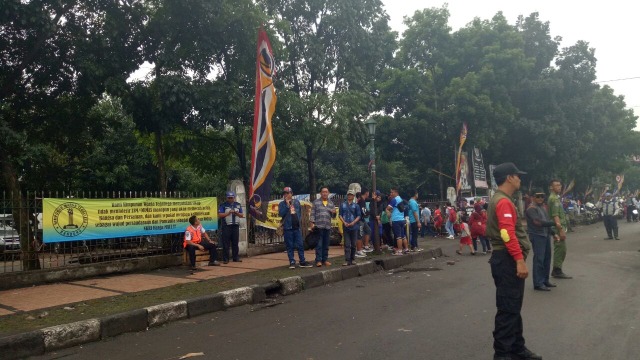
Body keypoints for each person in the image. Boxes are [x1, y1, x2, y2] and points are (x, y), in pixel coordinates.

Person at [486, 163, 541, 360]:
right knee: (508, 310)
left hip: (505, 259)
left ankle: (517, 348)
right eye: (517, 175)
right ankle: (502, 355)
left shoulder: (502, 200)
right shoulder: (503, 202)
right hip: (507, 260)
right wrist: (519, 260)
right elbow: (507, 233)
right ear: (509, 177)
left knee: (513, 308)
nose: (520, 179)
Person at [525, 189, 557, 291]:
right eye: (537, 196)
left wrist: (553, 233)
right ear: (533, 197)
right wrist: (554, 223)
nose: (540, 198)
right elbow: (537, 222)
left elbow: (546, 222)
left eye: (542, 196)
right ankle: (538, 283)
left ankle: (545, 280)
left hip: (545, 235)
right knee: (539, 259)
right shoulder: (531, 208)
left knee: (547, 258)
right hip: (537, 235)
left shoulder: (543, 207)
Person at [278, 187, 313, 269]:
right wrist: (287, 205)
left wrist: (298, 221)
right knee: (289, 246)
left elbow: (299, 213)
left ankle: (302, 261)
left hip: (296, 227)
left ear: (291, 193)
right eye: (285, 193)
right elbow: (281, 214)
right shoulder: (281, 204)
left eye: (288, 193)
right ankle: (292, 262)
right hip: (288, 227)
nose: (286, 195)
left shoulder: (296, 202)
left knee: (300, 245)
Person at [548, 179, 571, 279]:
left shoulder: (556, 198)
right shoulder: (554, 199)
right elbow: (555, 215)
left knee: (562, 249)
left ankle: (557, 269)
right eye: (556, 185)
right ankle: (557, 270)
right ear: (551, 187)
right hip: (557, 228)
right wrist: (560, 230)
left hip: (559, 227)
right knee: (560, 249)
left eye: (559, 185)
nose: (559, 187)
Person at [310, 187, 335, 267]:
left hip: (327, 226)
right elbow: (312, 214)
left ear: (328, 193)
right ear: (320, 193)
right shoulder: (316, 202)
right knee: (319, 244)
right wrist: (312, 223)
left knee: (326, 244)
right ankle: (318, 260)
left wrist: (334, 213)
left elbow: (333, 216)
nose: (324, 193)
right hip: (318, 226)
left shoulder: (331, 203)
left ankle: (325, 260)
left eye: (326, 192)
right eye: (323, 192)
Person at [218, 191, 244, 264]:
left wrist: (236, 213)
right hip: (226, 226)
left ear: (234, 197)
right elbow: (220, 215)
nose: (230, 199)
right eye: (229, 198)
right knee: (226, 243)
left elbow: (242, 215)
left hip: (235, 225)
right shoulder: (223, 205)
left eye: (231, 198)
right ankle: (226, 259)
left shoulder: (238, 205)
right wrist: (228, 213)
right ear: (227, 198)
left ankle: (236, 257)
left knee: (235, 242)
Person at [340, 189, 361, 266]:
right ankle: (347, 259)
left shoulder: (356, 205)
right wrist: (344, 222)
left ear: (353, 196)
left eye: (351, 195)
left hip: (354, 227)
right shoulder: (342, 205)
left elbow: (358, 216)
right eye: (348, 194)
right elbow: (340, 215)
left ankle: (352, 258)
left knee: (353, 244)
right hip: (346, 226)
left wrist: (353, 222)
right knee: (347, 244)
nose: (349, 196)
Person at [386, 188, 408, 255]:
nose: (391, 194)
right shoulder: (400, 199)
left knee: (398, 237)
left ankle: (399, 251)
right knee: (403, 236)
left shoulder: (394, 199)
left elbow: (388, 208)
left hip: (396, 220)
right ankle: (406, 249)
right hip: (402, 219)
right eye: (391, 192)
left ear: (396, 192)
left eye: (392, 192)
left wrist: (388, 212)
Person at [356, 189, 373, 256]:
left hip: (363, 220)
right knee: (359, 235)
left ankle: (365, 246)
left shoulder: (363, 199)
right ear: (366, 193)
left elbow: (368, 199)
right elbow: (364, 211)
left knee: (368, 230)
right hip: (360, 220)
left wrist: (372, 199)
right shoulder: (362, 201)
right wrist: (369, 213)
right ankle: (358, 250)